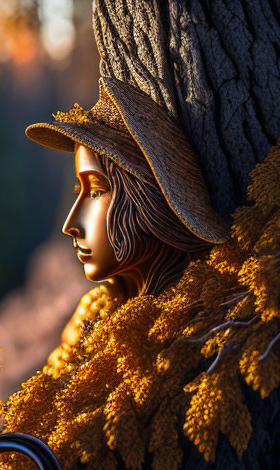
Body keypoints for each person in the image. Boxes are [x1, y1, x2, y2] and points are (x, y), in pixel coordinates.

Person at [24, 76, 231, 367]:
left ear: (145, 200)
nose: (71, 224)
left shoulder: (198, 326)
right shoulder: (93, 314)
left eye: (95, 190)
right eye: (78, 190)